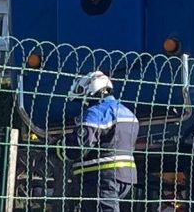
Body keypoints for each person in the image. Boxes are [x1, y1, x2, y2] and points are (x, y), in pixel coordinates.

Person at [55, 71, 139, 212]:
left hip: (101, 177)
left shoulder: (96, 112)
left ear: (91, 88)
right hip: (126, 177)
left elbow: (79, 146)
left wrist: (56, 148)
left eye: (81, 91)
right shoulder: (127, 113)